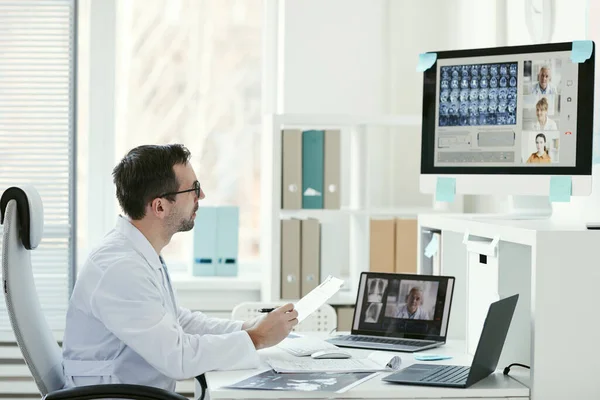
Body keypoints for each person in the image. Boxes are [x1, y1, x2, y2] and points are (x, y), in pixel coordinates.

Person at [61, 144, 298, 391]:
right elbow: (178, 358)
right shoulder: (120, 268)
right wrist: (256, 339)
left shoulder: (137, 252)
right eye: (193, 189)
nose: (202, 195)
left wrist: (245, 328)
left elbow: (176, 321)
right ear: (160, 207)